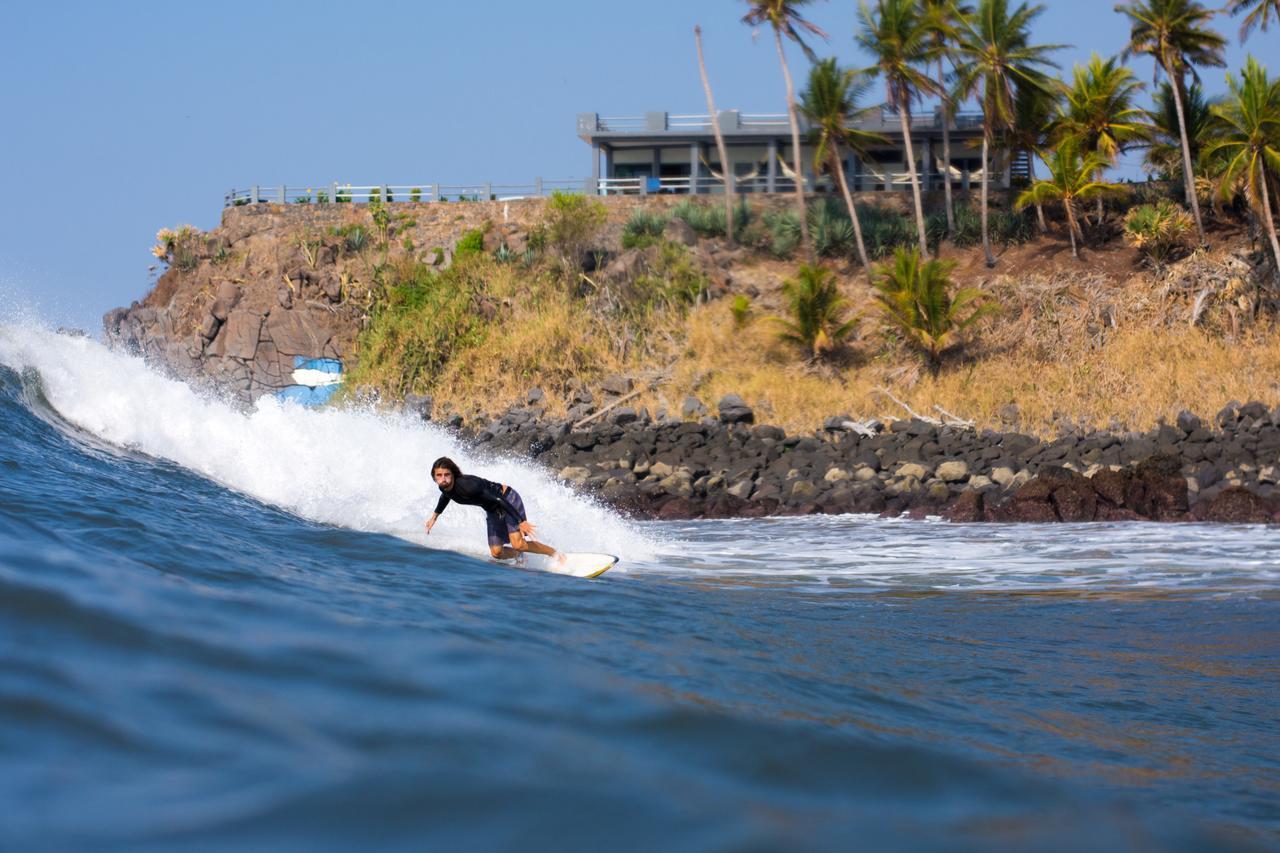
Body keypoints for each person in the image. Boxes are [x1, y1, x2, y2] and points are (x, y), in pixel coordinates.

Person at [424, 456, 560, 562]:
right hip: (493, 509)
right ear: (434, 477)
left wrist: (520, 521)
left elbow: (498, 499)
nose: (443, 479)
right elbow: (446, 496)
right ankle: (521, 557)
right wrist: (434, 517)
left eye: (447, 474)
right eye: (439, 475)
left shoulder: (469, 486)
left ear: (453, 474)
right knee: (497, 552)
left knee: (518, 544)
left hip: (507, 499)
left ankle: (554, 553)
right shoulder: (443, 486)